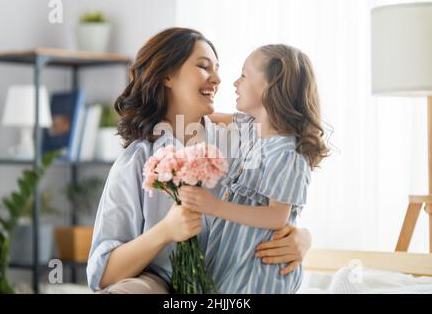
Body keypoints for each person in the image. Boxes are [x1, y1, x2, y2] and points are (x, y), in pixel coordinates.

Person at [86, 28, 312, 294]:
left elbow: (280, 201)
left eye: (217, 69)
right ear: (167, 75)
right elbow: (102, 275)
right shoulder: (138, 160)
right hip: (161, 283)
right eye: (204, 67)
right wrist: (165, 231)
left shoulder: (246, 142)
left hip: (235, 279)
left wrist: (302, 237)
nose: (217, 80)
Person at [179, 44, 329, 293]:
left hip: (259, 268)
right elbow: (205, 117)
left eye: (244, 75)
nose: (235, 83)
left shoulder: (286, 152)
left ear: (270, 86)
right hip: (236, 257)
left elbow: (276, 216)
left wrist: (213, 206)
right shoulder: (252, 128)